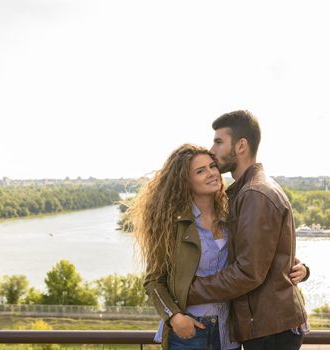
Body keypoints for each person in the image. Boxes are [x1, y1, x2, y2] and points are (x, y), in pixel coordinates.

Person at [128, 143, 307, 350]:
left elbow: (260, 254)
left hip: (229, 333)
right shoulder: (172, 224)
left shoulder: (232, 215)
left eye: (212, 166)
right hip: (191, 330)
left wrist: (301, 268)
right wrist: (174, 317)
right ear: (185, 180)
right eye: (200, 171)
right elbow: (154, 281)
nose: (212, 173)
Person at [186, 110, 310, 350]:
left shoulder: (255, 194)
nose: (212, 149)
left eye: (219, 142)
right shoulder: (243, 192)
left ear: (241, 145)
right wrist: (300, 268)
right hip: (265, 325)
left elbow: (248, 272)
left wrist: (188, 291)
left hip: (270, 329)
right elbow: (267, 254)